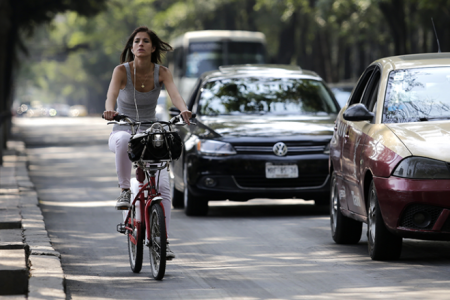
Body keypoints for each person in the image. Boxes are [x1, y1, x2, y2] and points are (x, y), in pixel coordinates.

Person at [103, 26, 192, 259]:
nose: (140, 44)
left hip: (150, 133)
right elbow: (111, 95)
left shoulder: (162, 72)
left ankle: (164, 241)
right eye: (136, 41)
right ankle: (124, 190)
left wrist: (184, 111)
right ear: (131, 48)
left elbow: (175, 95)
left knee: (163, 187)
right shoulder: (121, 71)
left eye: (145, 41)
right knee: (122, 139)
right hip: (124, 128)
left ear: (153, 48)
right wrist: (110, 110)